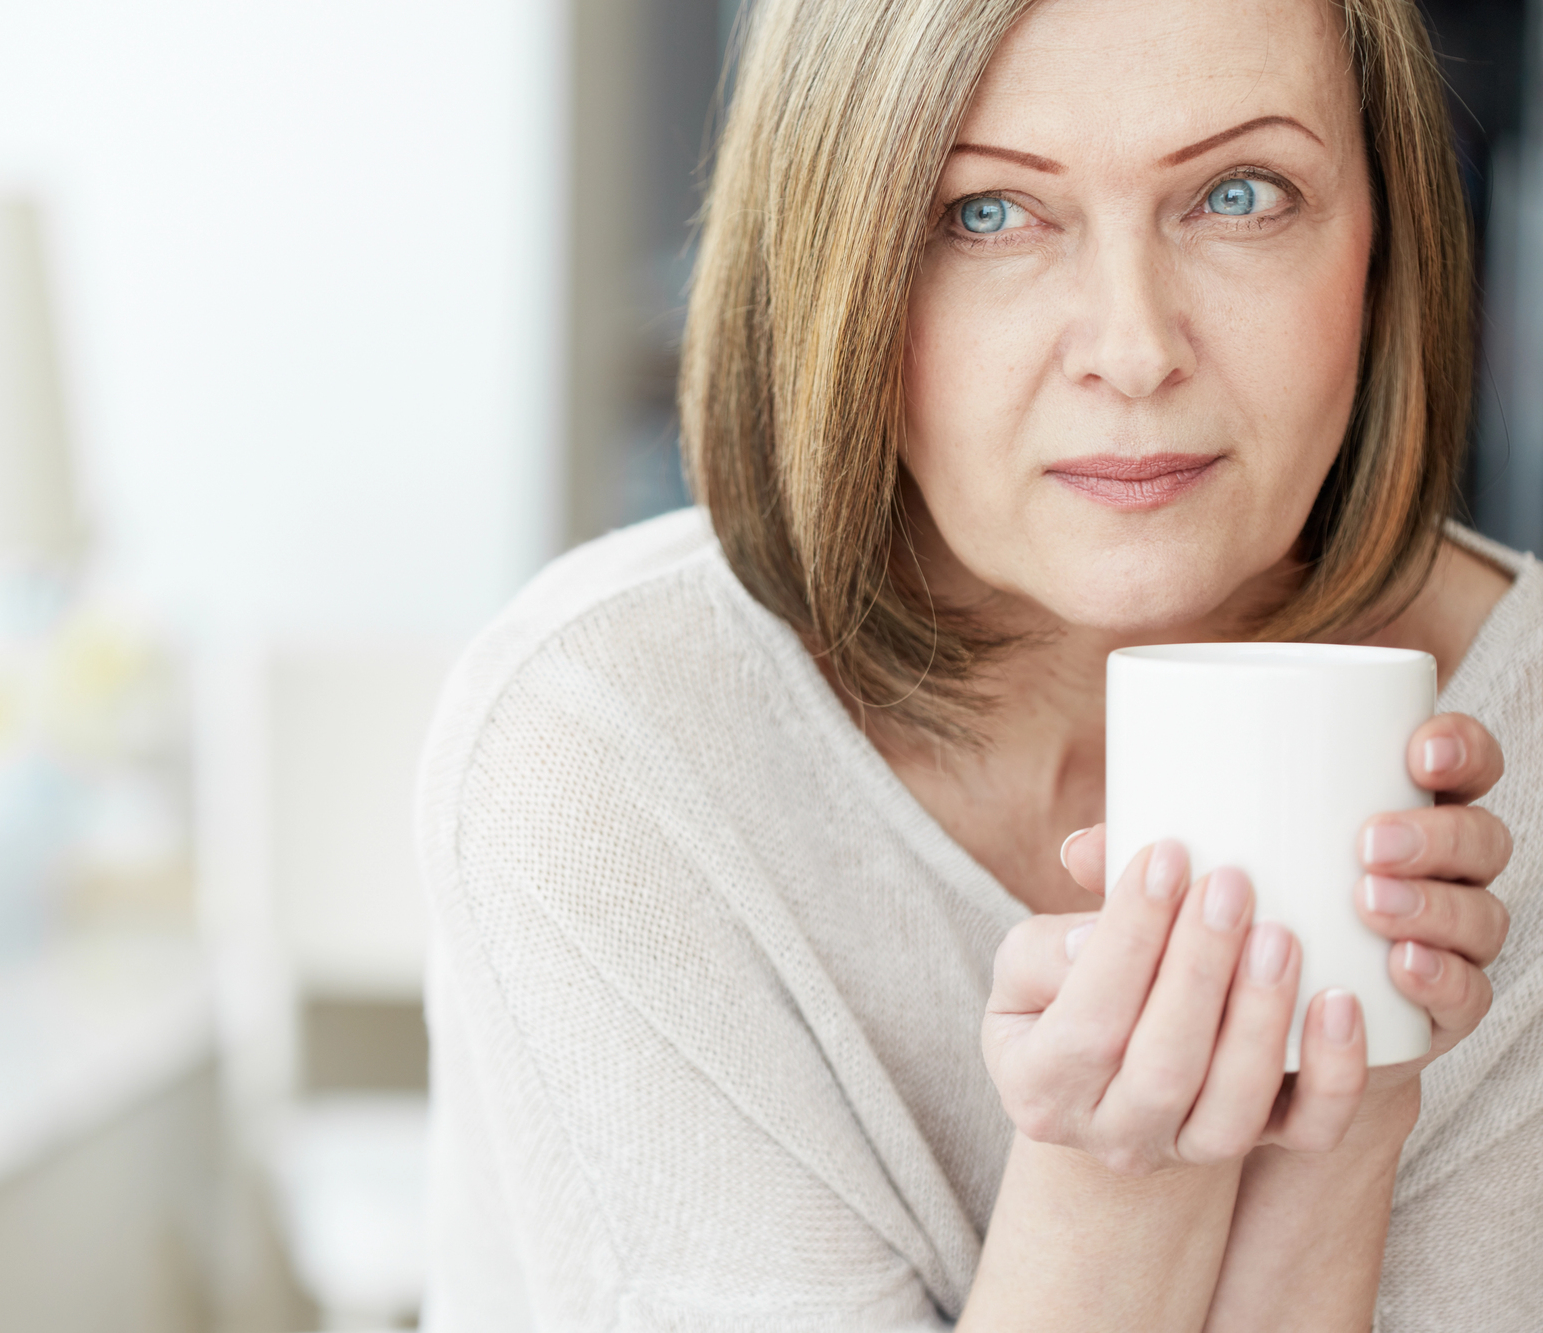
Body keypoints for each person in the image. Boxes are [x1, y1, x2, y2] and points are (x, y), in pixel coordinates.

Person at [416, 0, 1537, 1326]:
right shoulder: (611, 753)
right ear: (836, 260)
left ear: (1384, 238)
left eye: (1240, 192)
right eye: (988, 214)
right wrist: (1114, 1176)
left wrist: (1341, 1115)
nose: (1133, 350)